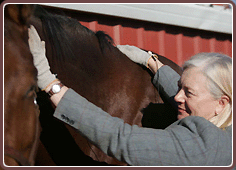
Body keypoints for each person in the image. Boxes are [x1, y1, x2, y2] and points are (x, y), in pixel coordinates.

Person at [28, 25, 232, 166]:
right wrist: (152, 62)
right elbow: (185, 95)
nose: (178, 97)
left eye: (188, 93)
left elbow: (121, 138)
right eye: (180, 87)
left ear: (222, 103)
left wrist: (50, 84)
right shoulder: (225, 124)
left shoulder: (201, 148)